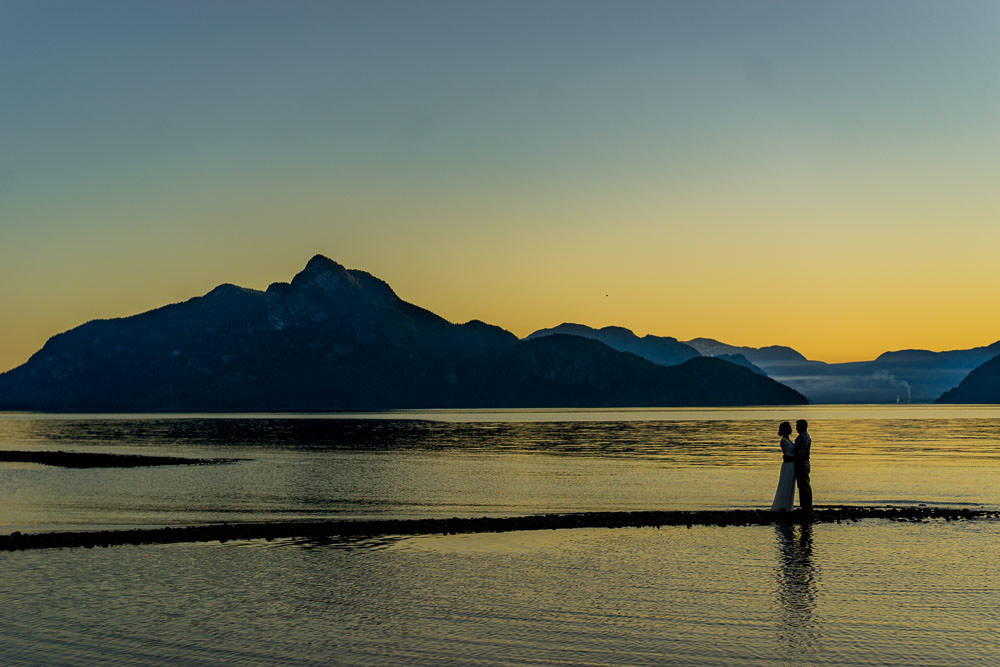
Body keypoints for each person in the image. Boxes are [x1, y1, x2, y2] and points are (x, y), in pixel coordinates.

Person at [770, 421, 796, 511]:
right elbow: (787, 455)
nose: (790, 429)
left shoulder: (788, 440)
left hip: (791, 465)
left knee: (790, 485)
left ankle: (788, 505)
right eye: (788, 428)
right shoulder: (784, 441)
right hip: (788, 465)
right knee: (785, 484)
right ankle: (782, 505)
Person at [793, 419, 812, 511]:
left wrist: (792, 457)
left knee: (804, 485)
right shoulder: (803, 436)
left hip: (802, 464)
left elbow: (802, 453)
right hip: (802, 464)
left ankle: (806, 506)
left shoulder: (804, 437)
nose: (796, 428)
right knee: (802, 485)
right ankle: (805, 505)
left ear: (802, 427)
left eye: (797, 426)